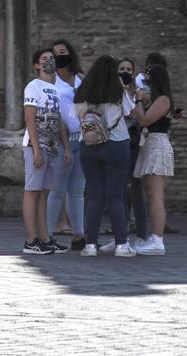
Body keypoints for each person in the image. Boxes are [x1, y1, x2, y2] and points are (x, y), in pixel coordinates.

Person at [74, 54, 136, 257]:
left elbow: (78, 117)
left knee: (94, 196)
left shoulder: (82, 92)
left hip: (89, 145)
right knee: (116, 196)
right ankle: (121, 245)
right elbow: (130, 113)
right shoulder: (118, 91)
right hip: (117, 144)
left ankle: (90, 245)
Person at [21, 47, 67, 255]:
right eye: (44, 59)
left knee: (44, 193)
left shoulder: (56, 89)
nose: (49, 61)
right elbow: (30, 117)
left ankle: (45, 237)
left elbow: (59, 120)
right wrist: (36, 149)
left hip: (53, 147)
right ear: (37, 65)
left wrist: (66, 147)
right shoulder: (34, 86)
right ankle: (31, 240)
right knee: (32, 192)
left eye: (52, 58)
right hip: (36, 147)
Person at [130, 59, 174, 255]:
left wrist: (139, 100)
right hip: (149, 145)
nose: (145, 84)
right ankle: (153, 237)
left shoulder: (163, 99)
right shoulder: (155, 99)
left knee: (156, 196)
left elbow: (144, 120)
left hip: (157, 145)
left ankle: (158, 240)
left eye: (148, 80)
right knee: (150, 195)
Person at [47, 39, 86, 249]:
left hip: (82, 138)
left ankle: (79, 235)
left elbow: (88, 108)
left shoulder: (80, 78)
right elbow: (55, 113)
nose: (61, 56)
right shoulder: (51, 82)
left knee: (78, 189)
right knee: (57, 188)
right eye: (56, 54)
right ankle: (48, 235)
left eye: (63, 52)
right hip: (62, 141)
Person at [116, 55, 148, 248]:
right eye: (122, 69)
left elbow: (138, 116)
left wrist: (136, 99)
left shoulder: (139, 93)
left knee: (135, 186)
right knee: (119, 187)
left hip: (133, 141)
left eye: (129, 70)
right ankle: (122, 234)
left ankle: (143, 234)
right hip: (117, 142)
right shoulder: (111, 91)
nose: (125, 73)